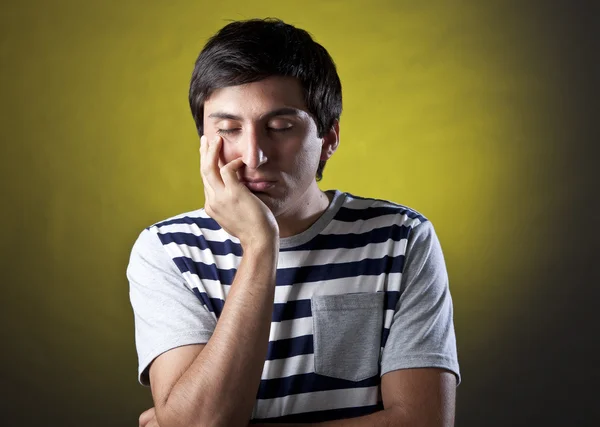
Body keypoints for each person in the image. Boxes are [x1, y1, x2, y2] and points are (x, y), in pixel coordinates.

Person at [127, 17, 460, 427]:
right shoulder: (167, 250)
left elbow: (424, 423)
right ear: (204, 142)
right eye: (229, 129)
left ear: (329, 138)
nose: (253, 155)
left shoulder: (403, 239)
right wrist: (261, 246)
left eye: (280, 127)